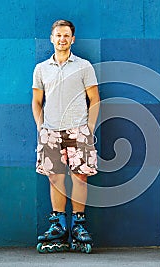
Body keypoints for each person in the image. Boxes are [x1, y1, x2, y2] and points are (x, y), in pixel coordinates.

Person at [31, 20, 100, 253]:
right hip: (50, 132)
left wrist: (89, 128)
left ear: (73, 39)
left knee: (80, 178)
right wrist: (41, 127)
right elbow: (37, 101)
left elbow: (95, 99)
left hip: (78, 130)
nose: (62, 39)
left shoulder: (84, 66)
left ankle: (78, 224)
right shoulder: (41, 68)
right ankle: (58, 225)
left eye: (66, 35)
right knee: (55, 179)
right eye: (58, 35)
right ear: (52, 38)